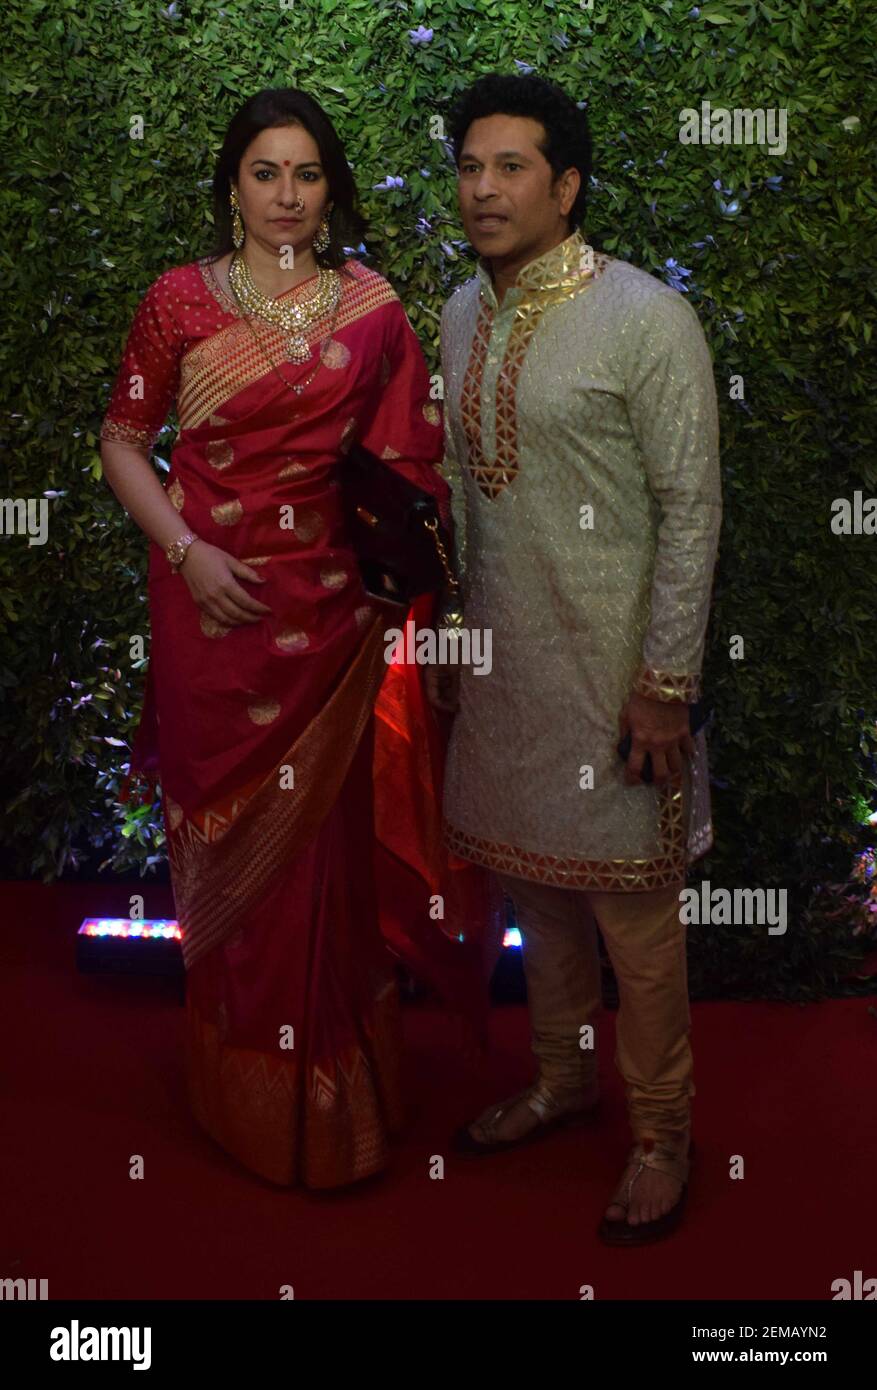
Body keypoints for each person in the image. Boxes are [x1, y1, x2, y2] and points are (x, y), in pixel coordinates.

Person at [100, 87, 462, 1188]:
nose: (286, 196)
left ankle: (334, 1103)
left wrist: (392, 579)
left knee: (323, 864)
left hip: (332, 623)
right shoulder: (178, 306)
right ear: (233, 185)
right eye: (266, 173)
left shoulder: (373, 309)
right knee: (229, 843)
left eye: (307, 175)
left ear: (331, 188)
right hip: (212, 607)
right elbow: (122, 441)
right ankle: (248, 1100)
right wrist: (187, 554)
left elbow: (408, 466)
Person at [429, 73, 722, 1243]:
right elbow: (454, 490)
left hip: (615, 685)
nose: (484, 189)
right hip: (507, 674)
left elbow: (691, 512)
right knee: (537, 906)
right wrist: (453, 638)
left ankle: (662, 1134)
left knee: (635, 928)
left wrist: (665, 685)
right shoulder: (459, 311)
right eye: (468, 166)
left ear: (566, 185)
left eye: (510, 168)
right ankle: (561, 1080)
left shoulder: (647, 317)